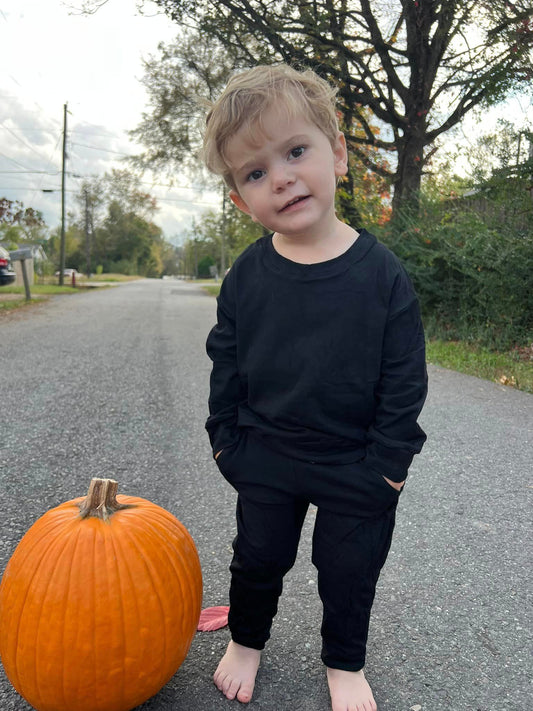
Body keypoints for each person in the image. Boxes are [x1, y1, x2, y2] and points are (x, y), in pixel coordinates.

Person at [202, 63, 428, 711]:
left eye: (295, 151)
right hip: (266, 455)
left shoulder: (381, 276)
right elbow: (227, 360)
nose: (281, 176)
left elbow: (403, 375)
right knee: (257, 557)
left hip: (355, 462)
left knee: (349, 569)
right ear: (242, 201)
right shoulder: (247, 276)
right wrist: (225, 442)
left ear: (337, 153)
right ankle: (246, 641)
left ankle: (344, 662)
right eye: (254, 172)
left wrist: (389, 465)